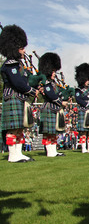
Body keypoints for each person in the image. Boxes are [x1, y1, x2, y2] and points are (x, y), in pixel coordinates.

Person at [0, 24, 40, 162]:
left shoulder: (18, 65)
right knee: (13, 128)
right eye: (22, 48)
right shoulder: (10, 64)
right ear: (14, 48)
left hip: (19, 98)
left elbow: (27, 80)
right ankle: (12, 155)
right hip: (12, 97)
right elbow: (18, 83)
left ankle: (18, 153)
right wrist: (31, 90)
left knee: (19, 129)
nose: (24, 51)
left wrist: (37, 80)